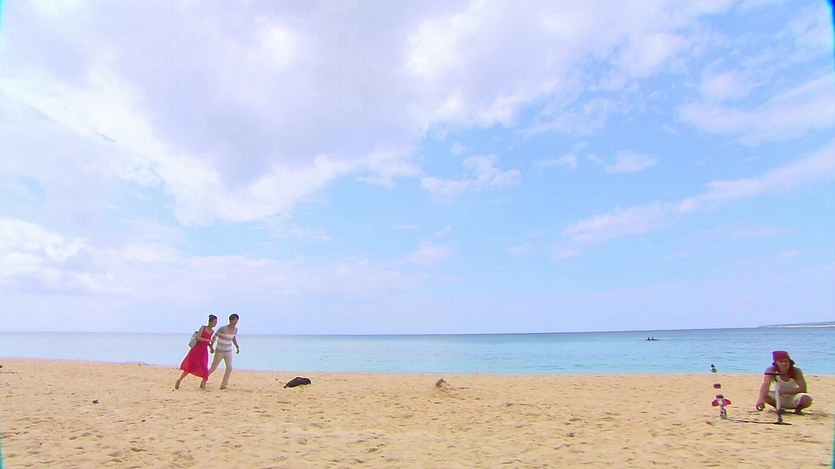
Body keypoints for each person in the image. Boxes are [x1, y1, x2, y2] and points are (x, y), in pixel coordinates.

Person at [175, 315, 217, 390]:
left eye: (216, 322)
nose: (215, 323)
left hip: (204, 351)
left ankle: (203, 385)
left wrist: (211, 347)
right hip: (196, 349)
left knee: (204, 367)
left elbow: (208, 341)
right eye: (214, 322)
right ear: (210, 322)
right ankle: (179, 380)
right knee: (190, 367)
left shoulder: (212, 331)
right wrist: (209, 340)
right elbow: (198, 338)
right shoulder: (203, 327)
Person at [208, 313, 240, 390]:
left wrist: (237, 346)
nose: (235, 322)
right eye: (234, 320)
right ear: (230, 320)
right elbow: (214, 337)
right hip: (219, 351)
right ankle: (204, 379)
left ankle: (223, 385)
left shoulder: (235, 330)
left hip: (228, 351)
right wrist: (211, 347)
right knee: (213, 367)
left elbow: (233, 338)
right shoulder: (222, 328)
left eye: (237, 320)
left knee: (229, 367)